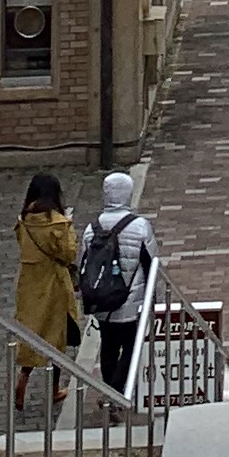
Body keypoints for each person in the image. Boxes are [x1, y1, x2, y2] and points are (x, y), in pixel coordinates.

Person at [79, 170, 157, 399]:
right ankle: (116, 392)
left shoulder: (91, 228)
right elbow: (151, 263)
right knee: (132, 347)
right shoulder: (140, 226)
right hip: (131, 302)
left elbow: (84, 264)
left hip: (102, 302)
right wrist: (152, 298)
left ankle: (109, 391)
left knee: (108, 346)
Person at [13, 172, 80, 413]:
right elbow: (68, 254)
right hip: (54, 285)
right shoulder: (59, 224)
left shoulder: (23, 221)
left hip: (29, 286)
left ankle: (22, 381)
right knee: (56, 338)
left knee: (32, 335)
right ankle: (53, 390)